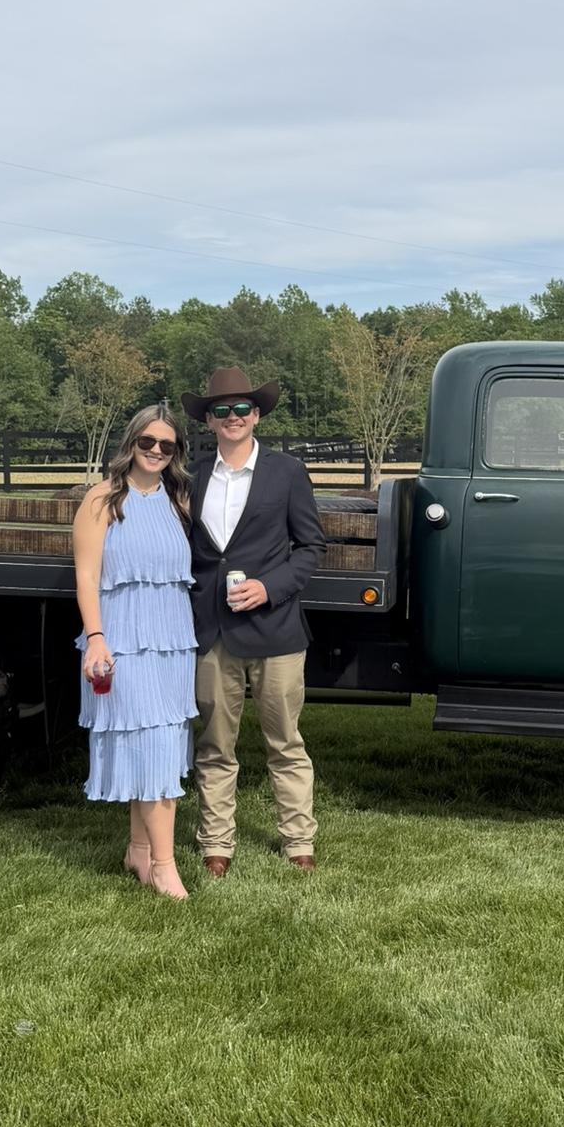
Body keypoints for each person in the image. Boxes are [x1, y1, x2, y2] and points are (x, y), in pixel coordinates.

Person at [182, 367, 325, 875]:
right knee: (215, 745)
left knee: (285, 743)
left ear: (257, 415)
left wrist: (270, 587)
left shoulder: (287, 472)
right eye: (222, 410)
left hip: (276, 630)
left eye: (242, 408)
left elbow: (310, 547)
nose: (233, 417)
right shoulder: (192, 476)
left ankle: (298, 841)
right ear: (209, 421)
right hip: (213, 631)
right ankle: (216, 844)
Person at [72, 404, 199, 898]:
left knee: (160, 743)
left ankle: (139, 851)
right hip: (123, 641)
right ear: (131, 442)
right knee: (154, 750)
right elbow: (86, 576)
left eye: (167, 445)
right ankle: (165, 867)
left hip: (172, 644)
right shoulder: (102, 498)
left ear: (176, 452)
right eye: (148, 441)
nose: (156, 451)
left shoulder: (177, 500)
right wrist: (96, 638)